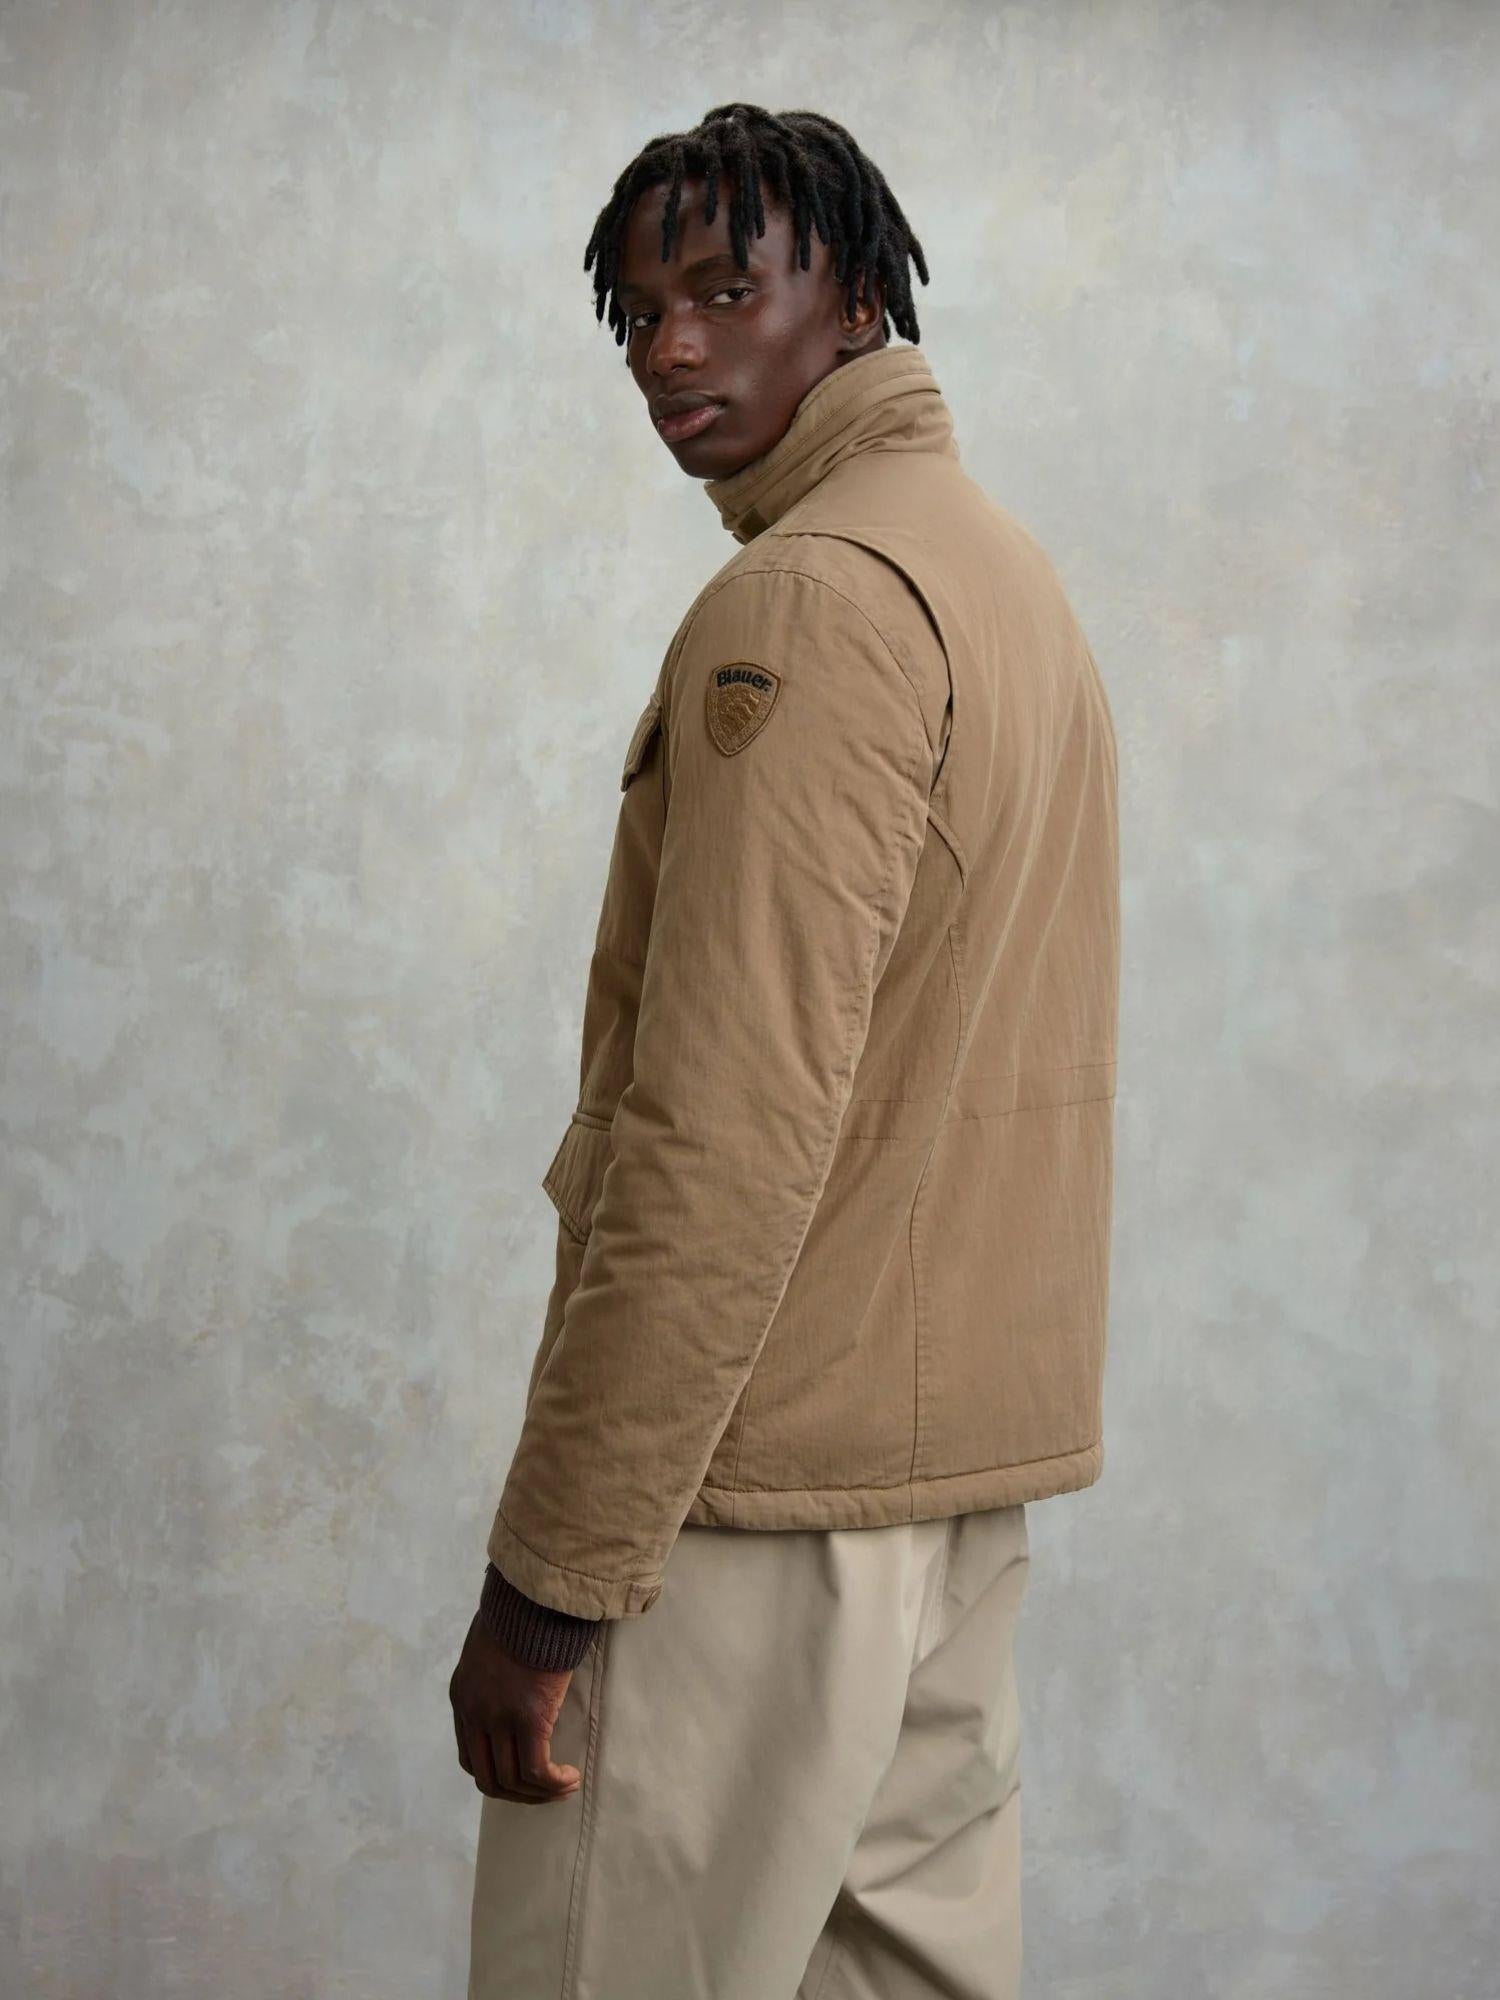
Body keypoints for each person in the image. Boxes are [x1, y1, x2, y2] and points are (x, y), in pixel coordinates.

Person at [450, 101, 1121, 2000]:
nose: (672, 346)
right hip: (944, 1503)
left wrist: (554, 1581)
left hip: (745, 1517)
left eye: (726, 290)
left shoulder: (808, 604)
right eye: (641, 310)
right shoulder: (1001, 577)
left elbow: (723, 1129)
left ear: (857, 305)